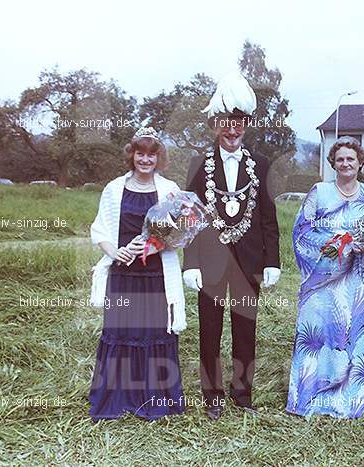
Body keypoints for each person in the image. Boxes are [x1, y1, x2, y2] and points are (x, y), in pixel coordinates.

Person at [183, 74, 281, 420]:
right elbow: (189, 219)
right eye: (226, 123)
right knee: (209, 330)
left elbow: (269, 217)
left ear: (246, 126)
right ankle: (212, 396)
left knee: (245, 329)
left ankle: (243, 393)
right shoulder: (199, 166)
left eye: (238, 124)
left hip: (249, 260)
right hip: (210, 262)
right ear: (215, 125)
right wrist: (189, 263)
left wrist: (273, 261)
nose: (232, 130)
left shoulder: (262, 165)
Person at [286, 136, 364, 418]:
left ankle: (355, 394)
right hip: (327, 281)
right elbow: (302, 233)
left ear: (361, 162)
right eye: (340, 159)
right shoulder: (320, 192)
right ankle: (316, 395)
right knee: (322, 332)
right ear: (332, 164)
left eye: (351, 159)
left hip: (361, 279)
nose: (346, 163)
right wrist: (342, 245)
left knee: (359, 334)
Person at [88, 123, 186, 420]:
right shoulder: (114, 188)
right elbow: (100, 230)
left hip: (156, 275)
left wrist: (157, 246)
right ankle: (117, 398)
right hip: (123, 274)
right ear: (132, 155)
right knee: (122, 331)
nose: (145, 160)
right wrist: (114, 251)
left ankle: (154, 399)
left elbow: (179, 232)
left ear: (159, 158)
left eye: (151, 155)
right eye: (140, 154)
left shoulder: (169, 190)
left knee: (154, 331)